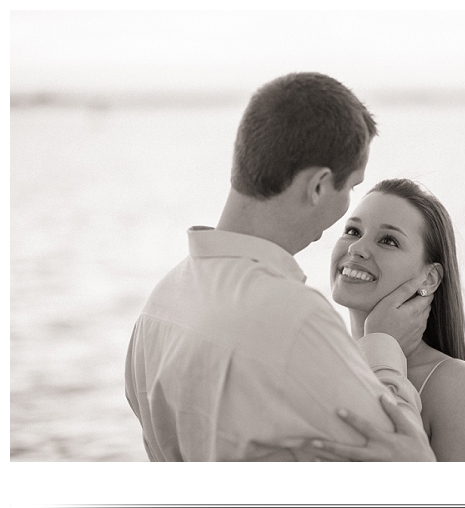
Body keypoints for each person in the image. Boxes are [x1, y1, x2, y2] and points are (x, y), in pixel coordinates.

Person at [125, 73, 437, 461]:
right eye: (351, 187)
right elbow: (405, 461)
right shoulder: (296, 317)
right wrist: (384, 344)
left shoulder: (159, 305)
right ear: (319, 185)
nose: (347, 211)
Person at [306, 179, 465, 462]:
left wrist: (380, 340)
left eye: (388, 240)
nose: (357, 248)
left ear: (429, 278)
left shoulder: (455, 385)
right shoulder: (314, 361)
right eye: (353, 231)